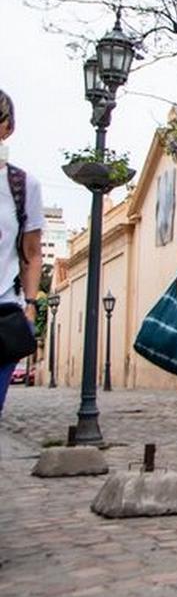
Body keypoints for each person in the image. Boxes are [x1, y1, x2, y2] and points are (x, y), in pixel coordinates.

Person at [0, 90, 43, 415]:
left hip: (4, 310)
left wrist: (30, 305)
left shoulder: (22, 185)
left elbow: (31, 251)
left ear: (7, 128)